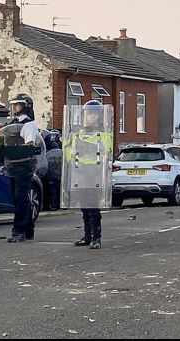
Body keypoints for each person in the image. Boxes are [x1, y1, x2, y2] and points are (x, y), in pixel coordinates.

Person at [65, 100, 112, 249]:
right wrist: (69, 153)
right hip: (80, 173)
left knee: (93, 207)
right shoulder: (78, 134)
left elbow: (106, 153)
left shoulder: (103, 134)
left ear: (99, 116)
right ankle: (87, 236)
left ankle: (96, 238)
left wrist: (91, 152)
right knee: (84, 207)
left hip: (95, 174)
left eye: (94, 115)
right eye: (88, 114)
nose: (91, 117)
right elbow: (69, 154)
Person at [3, 93, 40, 243]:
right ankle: (28, 229)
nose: (14, 107)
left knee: (20, 199)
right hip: (13, 164)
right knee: (20, 199)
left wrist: (15, 147)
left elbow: (29, 144)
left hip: (24, 165)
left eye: (17, 105)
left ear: (25, 106)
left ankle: (18, 231)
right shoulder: (14, 123)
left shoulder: (28, 124)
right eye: (13, 105)